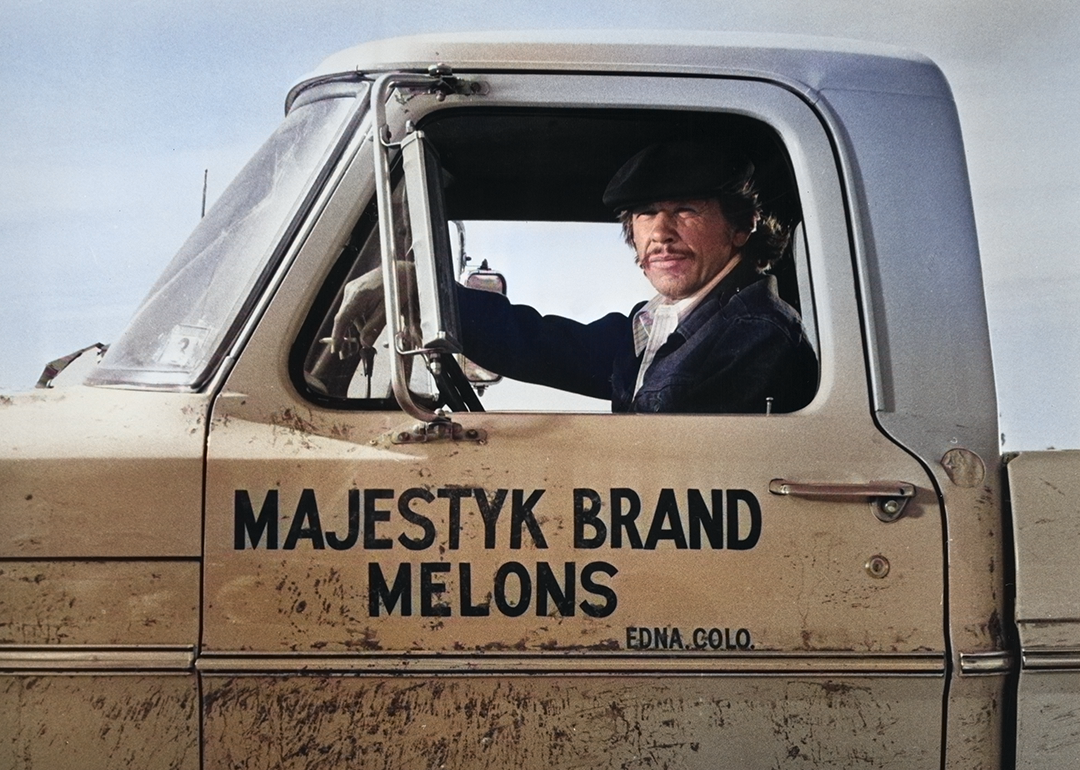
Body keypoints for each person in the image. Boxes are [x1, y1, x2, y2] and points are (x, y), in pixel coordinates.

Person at [329, 140, 818, 413]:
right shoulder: (662, 323)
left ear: (741, 228)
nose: (661, 234)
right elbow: (547, 346)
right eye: (646, 215)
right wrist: (422, 289)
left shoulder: (755, 334)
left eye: (685, 210)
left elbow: (664, 477)